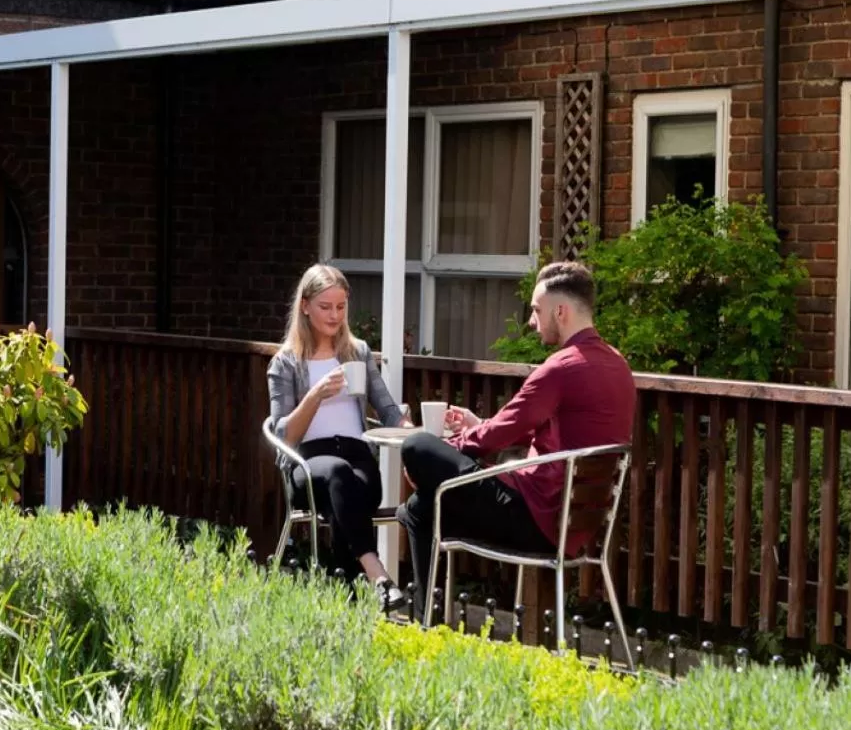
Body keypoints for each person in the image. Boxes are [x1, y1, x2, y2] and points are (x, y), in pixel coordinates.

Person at [396, 261, 636, 621]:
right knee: (422, 507)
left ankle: (425, 622)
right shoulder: (618, 365)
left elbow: (501, 433)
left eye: (537, 310)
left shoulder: (561, 368)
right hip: (575, 524)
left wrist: (446, 452)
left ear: (561, 311)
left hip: (534, 519)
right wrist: (480, 426)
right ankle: (425, 621)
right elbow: (533, 427)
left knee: (417, 446)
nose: (531, 321)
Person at [266, 264, 412, 612]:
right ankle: (377, 576)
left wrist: (412, 432)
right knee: (336, 475)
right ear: (305, 305)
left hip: (357, 456)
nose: (335, 315)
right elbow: (283, 434)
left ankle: (343, 591)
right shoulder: (285, 364)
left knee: (348, 487)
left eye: (341, 307)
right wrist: (315, 395)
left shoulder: (356, 352)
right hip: (308, 463)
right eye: (325, 307)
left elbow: (388, 410)